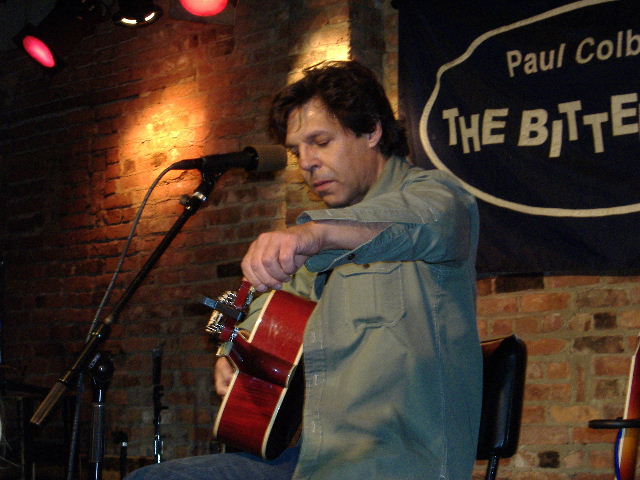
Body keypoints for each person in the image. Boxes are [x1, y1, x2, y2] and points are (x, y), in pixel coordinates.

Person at [126, 60, 482, 480]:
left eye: (321, 142)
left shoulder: (436, 197)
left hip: (396, 462)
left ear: (371, 130)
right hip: (312, 459)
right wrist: (235, 353)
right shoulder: (319, 249)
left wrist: (316, 235)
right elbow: (275, 311)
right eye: (298, 151)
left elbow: (426, 222)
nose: (306, 163)